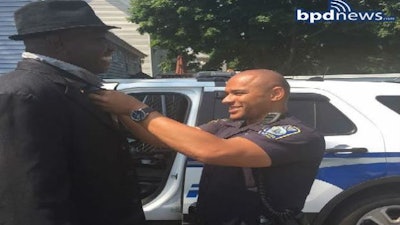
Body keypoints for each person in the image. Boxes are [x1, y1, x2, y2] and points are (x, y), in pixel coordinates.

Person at [89, 69, 325, 225]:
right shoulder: (226, 125)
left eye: (238, 93)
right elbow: (160, 140)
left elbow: (213, 151)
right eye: (226, 93)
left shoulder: (296, 134)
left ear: (276, 94)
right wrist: (123, 111)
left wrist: (136, 107)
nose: (226, 100)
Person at [0, 1, 145, 225]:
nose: (110, 48)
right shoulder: (25, 94)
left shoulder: (74, 86)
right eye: (98, 39)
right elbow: (29, 201)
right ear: (57, 43)